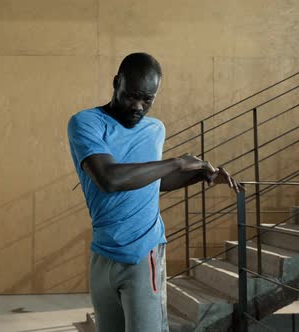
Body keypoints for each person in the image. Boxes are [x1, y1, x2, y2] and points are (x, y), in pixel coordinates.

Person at [67, 52, 243, 332]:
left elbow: (151, 181)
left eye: (147, 99)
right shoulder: (86, 122)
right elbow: (109, 179)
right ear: (116, 83)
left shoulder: (155, 129)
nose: (138, 106)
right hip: (102, 253)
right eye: (131, 96)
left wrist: (200, 176)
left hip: (142, 251)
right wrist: (177, 162)